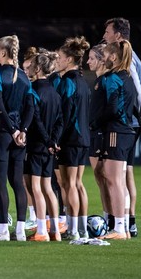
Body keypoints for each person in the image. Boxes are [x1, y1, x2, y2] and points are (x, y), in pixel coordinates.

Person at [102, 17, 141, 237]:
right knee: (125, 172)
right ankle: (128, 221)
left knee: (119, 174)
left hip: (126, 122)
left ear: (118, 35)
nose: (104, 35)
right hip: (131, 122)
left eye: (107, 32)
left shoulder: (127, 59)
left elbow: (138, 92)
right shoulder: (135, 58)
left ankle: (122, 222)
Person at [0, 34, 34, 242]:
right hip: (20, 137)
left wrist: (12, 130)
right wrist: (23, 130)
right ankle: (20, 230)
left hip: (2, 134)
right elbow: (31, 106)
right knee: (17, 182)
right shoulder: (23, 76)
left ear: (3, 52)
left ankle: (3, 229)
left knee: (0, 182)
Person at [23, 49, 63, 242]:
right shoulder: (55, 93)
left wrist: (47, 141)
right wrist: (54, 141)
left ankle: (41, 231)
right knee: (48, 188)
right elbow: (60, 121)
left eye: (31, 66)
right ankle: (55, 230)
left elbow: (36, 121)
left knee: (36, 188)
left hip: (37, 145)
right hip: (49, 147)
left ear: (38, 69)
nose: (29, 69)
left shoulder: (33, 91)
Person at [54, 36, 92, 241]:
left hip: (70, 139)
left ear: (69, 60)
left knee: (68, 185)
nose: (57, 60)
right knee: (77, 184)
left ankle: (73, 229)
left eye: (60, 57)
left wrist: (56, 139)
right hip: (83, 139)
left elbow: (65, 115)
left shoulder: (67, 82)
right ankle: (83, 228)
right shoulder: (84, 83)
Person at [86, 44, 111, 223]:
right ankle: (108, 217)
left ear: (102, 60)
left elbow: (111, 109)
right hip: (94, 133)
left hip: (103, 134)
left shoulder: (106, 81)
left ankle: (116, 219)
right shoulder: (97, 82)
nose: (88, 61)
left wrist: (96, 124)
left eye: (92, 58)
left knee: (108, 179)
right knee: (100, 178)